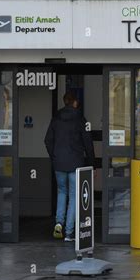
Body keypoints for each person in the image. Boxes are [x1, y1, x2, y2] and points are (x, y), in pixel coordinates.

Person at [44, 92, 95, 242]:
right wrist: (92, 164)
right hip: (75, 163)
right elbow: (88, 143)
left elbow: (47, 140)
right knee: (73, 196)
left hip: (59, 163)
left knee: (61, 192)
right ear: (75, 103)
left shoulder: (56, 119)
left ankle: (59, 223)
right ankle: (69, 233)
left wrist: (54, 156)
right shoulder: (80, 119)